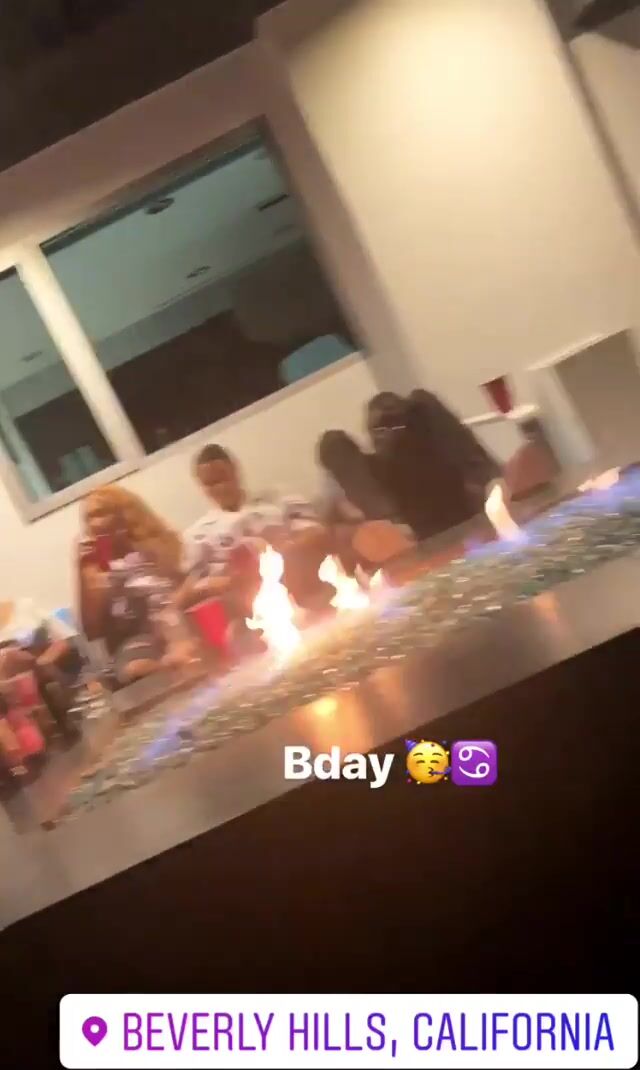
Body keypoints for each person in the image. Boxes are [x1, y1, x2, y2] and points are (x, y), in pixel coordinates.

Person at [180, 444, 332, 623]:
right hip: (241, 593)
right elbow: (191, 585)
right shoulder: (199, 534)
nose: (220, 487)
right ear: (201, 486)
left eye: (223, 478)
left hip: (292, 570)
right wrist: (223, 581)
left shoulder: (277, 500)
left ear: (235, 470)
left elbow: (316, 531)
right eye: (210, 484)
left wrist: (283, 550)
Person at [77, 485, 198, 685]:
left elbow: (188, 578)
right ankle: (170, 664)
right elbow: (92, 630)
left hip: (177, 617)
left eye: (99, 513)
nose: (93, 523)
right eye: (87, 518)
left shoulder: (159, 544)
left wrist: (173, 606)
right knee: (135, 669)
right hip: (138, 636)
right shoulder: (95, 566)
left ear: (122, 514)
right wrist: (82, 572)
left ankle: (180, 658)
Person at [365, 390, 502, 542]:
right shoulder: (378, 470)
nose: (386, 433)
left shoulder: (433, 446)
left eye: (392, 424)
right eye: (379, 429)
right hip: (439, 529)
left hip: (463, 518)